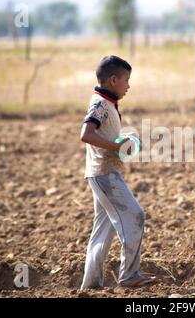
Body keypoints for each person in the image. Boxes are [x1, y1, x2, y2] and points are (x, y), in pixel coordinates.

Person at [79, 55, 154, 289]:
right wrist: (117, 147)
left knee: (103, 229)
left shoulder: (106, 102)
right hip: (104, 174)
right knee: (135, 215)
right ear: (113, 80)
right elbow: (86, 134)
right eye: (126, 80)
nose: (128, 86)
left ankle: (90, 285)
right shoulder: (100, 104)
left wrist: (122, 141)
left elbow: (102, 133)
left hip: (102, 172)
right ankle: (129, 275)